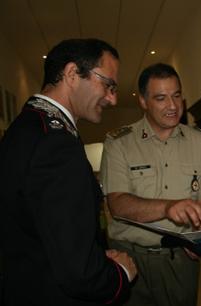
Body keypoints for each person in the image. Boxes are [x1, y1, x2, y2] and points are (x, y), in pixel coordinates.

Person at [0, 38, 137, 306]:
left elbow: (45, 234)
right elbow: (79, 274)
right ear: (73, 74)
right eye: (108, 84)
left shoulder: (25, 130)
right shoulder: (56, 144)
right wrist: (120, 274)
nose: (112, 98)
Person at [100, 63, 201, 306]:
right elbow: (118, 204)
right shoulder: (119, 142)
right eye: (161, 98)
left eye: (176, 96)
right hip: (130, 258)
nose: (173, 106)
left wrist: (199, 236)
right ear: (143, 101)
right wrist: (167, 207)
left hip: (179, 261)